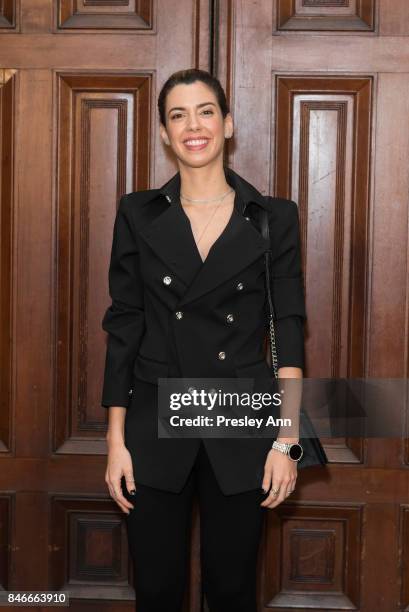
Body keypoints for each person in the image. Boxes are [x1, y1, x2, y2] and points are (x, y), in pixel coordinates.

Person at [101, 68, 328, 612]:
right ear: (164, 132)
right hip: (155, 420)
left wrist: (286, 441)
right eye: (177, 115)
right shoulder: (138, 213)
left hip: (241, 420)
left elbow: (287, 329)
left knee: (231, 590)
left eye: (205, 111)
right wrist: (115, 442)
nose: (192, 126)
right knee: (156, 590)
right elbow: (124, 325)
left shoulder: (274, 218)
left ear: (227, 124)